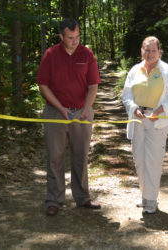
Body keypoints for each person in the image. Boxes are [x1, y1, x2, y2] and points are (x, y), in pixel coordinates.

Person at [37, 18, 101, 216]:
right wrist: (60, 107)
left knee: (81, 155)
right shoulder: (51, 54)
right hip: (55, 112)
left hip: (82, 111)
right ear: (61, 37)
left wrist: (85, 109)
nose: (75, 41)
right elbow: (43, 85)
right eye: (71, 38)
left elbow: (93, 86)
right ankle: (54, 200)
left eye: (78, 36)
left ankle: (82, 198)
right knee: (55, 157)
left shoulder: (87, 54)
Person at [122, 36, 168, 214]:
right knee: (139, 160)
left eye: (153, 50)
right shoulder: (134, 70)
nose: (150, 54)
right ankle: (145, 196)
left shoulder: (167, 71)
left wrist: (159, 111)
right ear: (141, 50)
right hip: (138, 119)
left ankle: (151, 200)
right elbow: (126, 95)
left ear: (159, 51)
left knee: (153, 162)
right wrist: (134, 109)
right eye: (147, 50)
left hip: (157, 121)